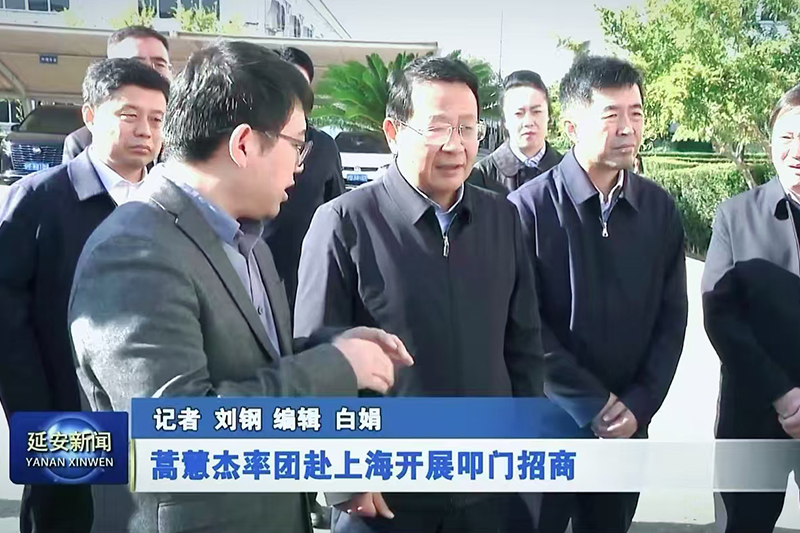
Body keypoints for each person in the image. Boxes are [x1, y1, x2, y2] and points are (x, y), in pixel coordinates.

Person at [67, 41, 413, 533]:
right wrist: (337, 366)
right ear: (244, 144)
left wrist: (333, 348)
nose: (300, 166)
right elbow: (179, 431)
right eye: (297, 144)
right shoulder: (133, 251)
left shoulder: (246, 240)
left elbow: (249, 365)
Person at [295, 55, 544, 533]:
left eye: (468, 128)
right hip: (386, 498)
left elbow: (525, 349)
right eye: (437, 128)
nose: (456, 144)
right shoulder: (344, 223)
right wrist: (343, 475)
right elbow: (315, 360)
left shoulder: (503, 219)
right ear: (393, 132)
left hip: (488, 491)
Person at [507, 56, 688, 533]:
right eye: (611, 114)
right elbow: (522, 326)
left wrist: (639, 404)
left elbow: (672, 319)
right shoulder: (527, 209)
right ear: (572, 126)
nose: (628, 128)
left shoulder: (658, 209)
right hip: (547, 428)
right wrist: (592, 403)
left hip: (627, 428)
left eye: (637, 113)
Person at [0, 58, 169, 533]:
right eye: (129, 115)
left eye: (157, 119)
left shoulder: (167, 204)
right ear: (90, 116)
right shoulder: (39, 199)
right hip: (65, 420)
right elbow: (7, 321)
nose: (145, 130)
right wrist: (36, 419)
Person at [702, 83, 800, 532]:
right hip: (753, 412)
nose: (796, 151)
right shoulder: (736, 215)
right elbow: (720, 316)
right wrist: (784, 394)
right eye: (787, 137)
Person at [264, 46, 347, 312]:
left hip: (307, 277)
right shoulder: (255, 139)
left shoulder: (324, 147)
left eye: (301, 86)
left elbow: (337, 211)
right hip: (257, 273)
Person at [63, 25, 172, 163]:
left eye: (160, 64)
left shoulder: (187, 136)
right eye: (136, 63)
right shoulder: (82, 142)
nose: (150, 71)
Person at [469, 70, 562, 194]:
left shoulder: (567, 170)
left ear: (549, 116)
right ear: (505, 121)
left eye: (536, 112)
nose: (528, 122)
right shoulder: (481, 176)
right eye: (519, 113)